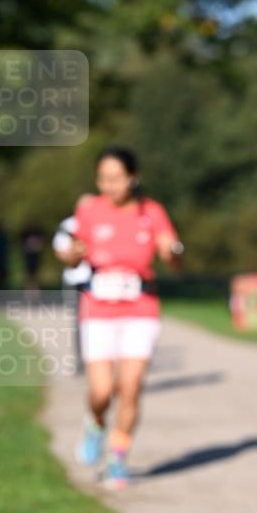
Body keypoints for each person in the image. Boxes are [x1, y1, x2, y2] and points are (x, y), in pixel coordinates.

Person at [56, 147, 183, 490]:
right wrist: (72, 254)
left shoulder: (151, 211)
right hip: (98, 309)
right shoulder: (89, 210)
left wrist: (172, 251)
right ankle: (95, 422)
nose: (108, 185)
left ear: (132, 178)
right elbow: (71, 256)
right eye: (103, 179)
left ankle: (117, 459)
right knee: (101, 390)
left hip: (140, 308)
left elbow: (172, 257)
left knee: (130, 387)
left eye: (115, 178)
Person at [52, 196, 94, 375]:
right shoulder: (67, 226)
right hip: (75, 279)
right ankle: (80, 360)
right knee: (78, 321)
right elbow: (60, 252)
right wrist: (75, 253)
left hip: (97, 280)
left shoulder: (102, 223)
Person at [19, 224, 45, 295]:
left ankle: (36, 291)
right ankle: (28, 292)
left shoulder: (38, 234)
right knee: (29, 275)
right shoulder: (26, 235)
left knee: (35, 275)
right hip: (29, 256)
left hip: (35, 257)